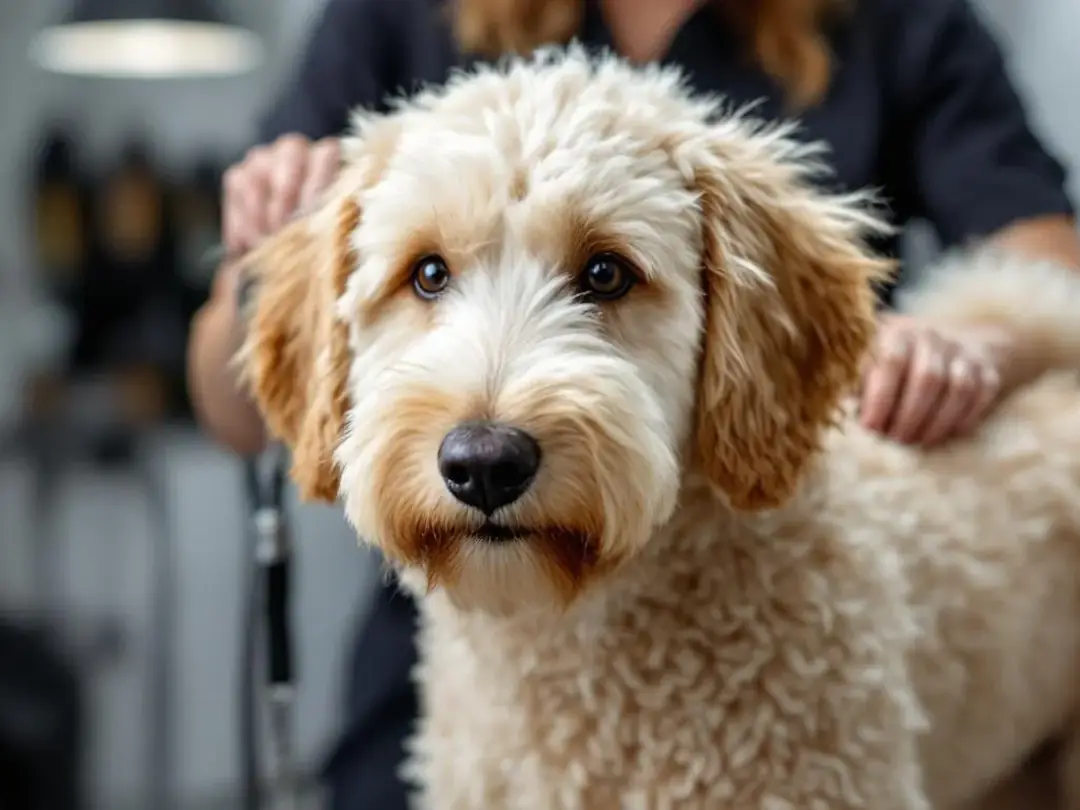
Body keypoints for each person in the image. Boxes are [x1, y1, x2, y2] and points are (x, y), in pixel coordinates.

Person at [187, 0, 1080, 806]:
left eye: (606, 275)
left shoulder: (898, 22)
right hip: (425, 676)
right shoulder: (393, 16)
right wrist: (259, 271)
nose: (490, 432)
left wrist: (982, 343)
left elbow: (1049, 257)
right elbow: (232, 413)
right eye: (430, 273)